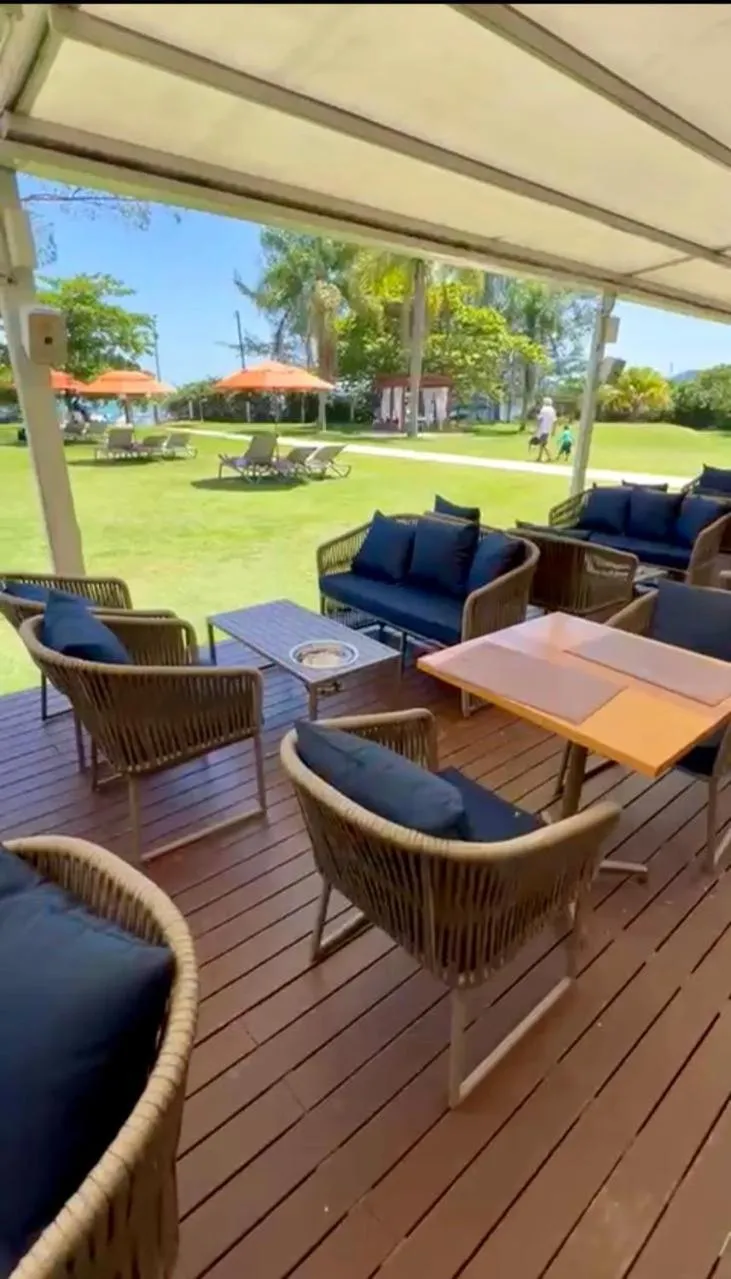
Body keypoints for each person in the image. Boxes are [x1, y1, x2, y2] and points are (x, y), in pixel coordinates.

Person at [534, 396, 557, 462]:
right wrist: (553, 431)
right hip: (548, 429)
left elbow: (540, 419)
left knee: (542, 444)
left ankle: (547, 457)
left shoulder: (543, 409)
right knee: (543, 443)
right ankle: (542, 457)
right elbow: (555, 421)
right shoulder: (552, 410)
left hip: (542, 429)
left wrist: (537, 428)